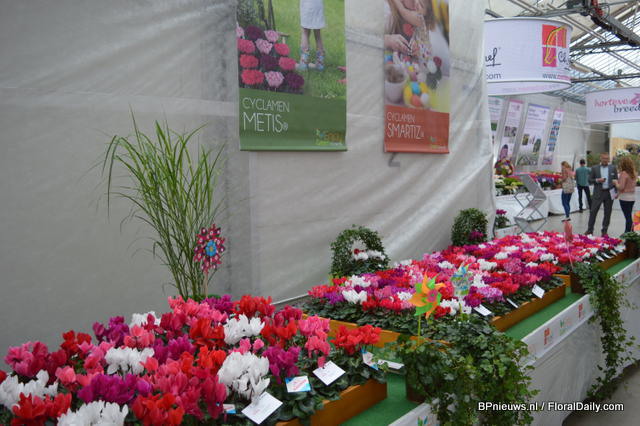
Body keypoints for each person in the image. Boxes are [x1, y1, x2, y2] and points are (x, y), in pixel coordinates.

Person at [586, 153, 618, 236]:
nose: (605, 160)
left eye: (607, 158)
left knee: (607, 213)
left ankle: (604, 231)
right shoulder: (594, 168)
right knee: (593, 212)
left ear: (609, 159)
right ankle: (589, 230)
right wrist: (597, 180)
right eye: (604, 158)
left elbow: (616, 180)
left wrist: (616, 192)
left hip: (609, 193)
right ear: (600, 158)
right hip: (598, 193)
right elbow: (589, 180)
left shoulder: (613, 168)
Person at [298, 0, 325, 71]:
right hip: (318, 6)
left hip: (307, 6)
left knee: (305, 32)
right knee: (318, 34)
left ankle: (303, 63)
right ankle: (320, 64)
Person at [613, 156, 637, 233]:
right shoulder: (634, 173)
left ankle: (628, 232)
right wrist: (617, 194)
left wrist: (616, 183)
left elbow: (621, 187)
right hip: (632, 198)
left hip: (624, 198)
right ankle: (630, 232)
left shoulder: (624, 173)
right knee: (629, 216)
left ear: (623, 164)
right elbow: (627, 187)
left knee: (628, 217)